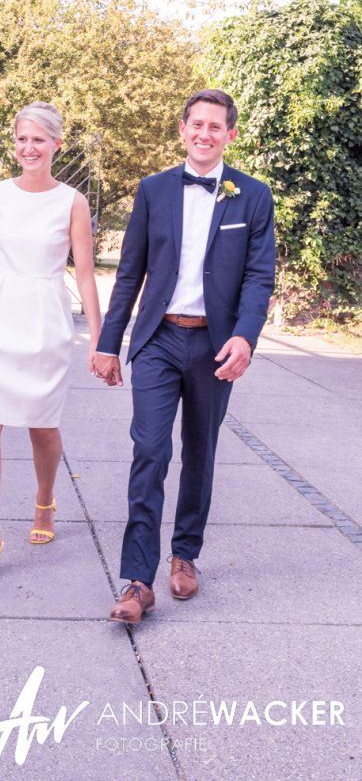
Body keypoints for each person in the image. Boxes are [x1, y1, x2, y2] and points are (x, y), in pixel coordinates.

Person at [93, 89, 275, 623]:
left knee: (201, 450)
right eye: (196, 124)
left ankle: (185, 556)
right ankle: (137, 581)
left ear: (230, 135)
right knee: (149, 450)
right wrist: (109, 342)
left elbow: (259, 276)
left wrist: (245, 336)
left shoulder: (253, 196)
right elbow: (130, 271)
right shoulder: (153, 190)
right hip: (158, 340)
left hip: (215, 346)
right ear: (182, 128)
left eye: (215, 127)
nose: (204, 134)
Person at [0, 102, 101, 585]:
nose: (28, 148)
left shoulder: (72, 202)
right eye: (21, 139)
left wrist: (98, 339)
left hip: (44, 321)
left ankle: (45, 502)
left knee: (42, 428)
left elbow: (83, 274)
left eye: (39, 140)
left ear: (56, 145)